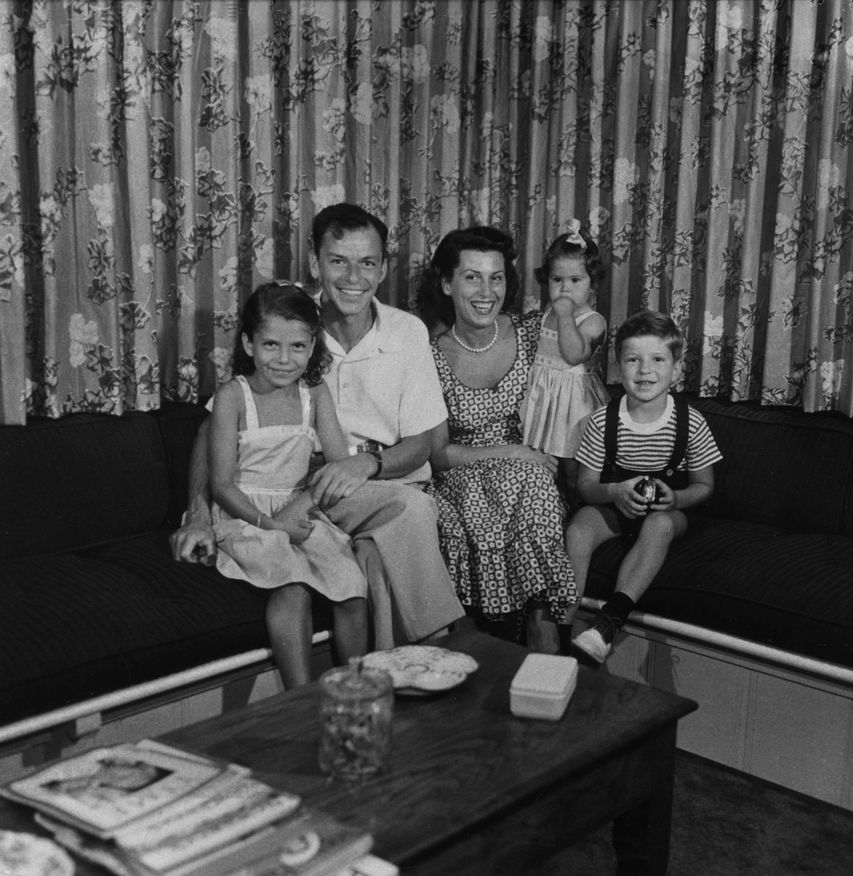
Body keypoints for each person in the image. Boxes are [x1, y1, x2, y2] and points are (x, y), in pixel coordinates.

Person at [170, 203, 464, 658]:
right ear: (314, 263)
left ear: (383, 268)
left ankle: (406, 670)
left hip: (378, 480)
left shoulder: (407, 332)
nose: (353, 277)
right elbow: (213, 430)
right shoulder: (293, 326)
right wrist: (198, 511)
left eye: (367, 262)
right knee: (394, 531)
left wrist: (368, 463)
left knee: (396, 529)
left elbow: (421, 443)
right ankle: (427, 657)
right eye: (338, 261)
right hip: (302, 486)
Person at [421, 227, 577, 654]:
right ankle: (483, 663)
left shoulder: (533, 333)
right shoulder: (429, 355)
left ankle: (546, 660)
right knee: (480, 501)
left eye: (497, 277)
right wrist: (511, 451)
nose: (486, 291)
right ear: (447, 283)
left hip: (533, 477)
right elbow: (438, 455)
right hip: (464, 476)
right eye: (472, 277)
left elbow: (579, 368)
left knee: (533, 485)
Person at [208, 283, 367, 688]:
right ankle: (300, 699)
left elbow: (338, 463)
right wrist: (269, 525)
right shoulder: (233, 396)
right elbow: (222, 485)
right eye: (271, 345)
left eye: (298, 346)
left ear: (313, 346)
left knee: (351, 585)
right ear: (248, 343)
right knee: (293, 585)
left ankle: (356, 691)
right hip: (246, 516)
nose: (284, 359)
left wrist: (316, 496)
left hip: (299, 512)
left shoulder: (314, 393)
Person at [566, 311, 723, 665]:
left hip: (667, 511)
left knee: (660, 525)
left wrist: (676, 498)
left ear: (676, 369)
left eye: (657, 360)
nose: (644, 370)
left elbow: (705, 486)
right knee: (578, 528)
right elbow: (587, 485)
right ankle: (563, 626)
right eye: (633, 360)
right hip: (614, 505)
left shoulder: (691, 422)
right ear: (619, 367)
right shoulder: (603, 421)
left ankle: (606, 627)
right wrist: (614, 492)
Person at [520, 219, 610, 507]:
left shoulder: (593, 321)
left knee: (573, 467)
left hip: (574, 406)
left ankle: (578, 511)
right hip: (544, 398)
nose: (564, 289)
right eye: (557, 280)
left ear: (592, 283)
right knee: (542, 462)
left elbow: (573, 355)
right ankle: (548, 510)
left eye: (575, 281)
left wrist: (566, 317)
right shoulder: (548, 312)